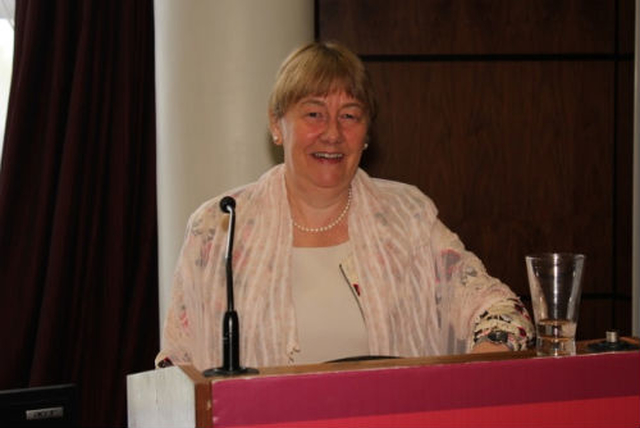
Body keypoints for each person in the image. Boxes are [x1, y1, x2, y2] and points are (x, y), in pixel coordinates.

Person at [156, 41, 534, 370]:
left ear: (366, 133)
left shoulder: (407, 215)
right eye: (314, 113)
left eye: (349, 115)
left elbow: (501, 310)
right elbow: (176, 362)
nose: (333, 133)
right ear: (276, 124)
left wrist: (472, 373)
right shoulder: (220, 225)